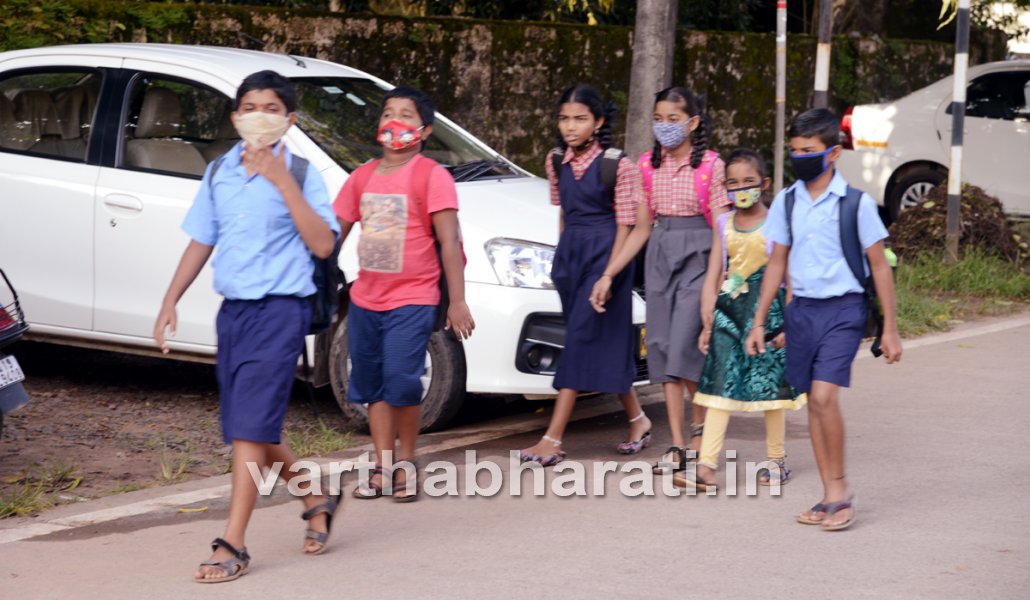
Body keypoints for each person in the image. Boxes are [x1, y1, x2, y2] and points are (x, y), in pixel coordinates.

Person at [153, 71, 342, 583]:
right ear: (236, 117)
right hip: (233, 312)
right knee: (252, 427)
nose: (259, 115)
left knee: (247, 429)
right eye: (250, 106)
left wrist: (282, 183)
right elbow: (201, 240)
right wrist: (170, 299)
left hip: (282, 310)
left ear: (289, 119)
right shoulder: (219, 172)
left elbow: (323, 245)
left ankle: (232, 542)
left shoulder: (302, 173)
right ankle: (315, 496)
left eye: (271, 107)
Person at [745, 108, 902, 531]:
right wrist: (759, 321)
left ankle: (839, 489)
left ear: (833, 153)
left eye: (809, 151)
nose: (800, 157)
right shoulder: (787, 201)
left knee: (824, 397)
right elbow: (776, 263)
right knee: (812, 405)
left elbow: (880, 267)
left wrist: (889, 328)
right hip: (802, 313)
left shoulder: (856, 204)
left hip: (844, 310)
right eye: (795, 151)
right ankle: (829, 492)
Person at [333, 87, 474, 501]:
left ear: (425, 129)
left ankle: (407, 461)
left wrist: (458, 300)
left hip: (414, 297)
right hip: (365, 300)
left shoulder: (432, 176)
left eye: (406, 115)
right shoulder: (360, 177)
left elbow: (450, 242)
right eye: (388, 113)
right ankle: (381, 465)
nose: (395, 121)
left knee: (401, 380)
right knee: (372, 384)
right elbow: (332, 235)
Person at [518, 84, 652, 465]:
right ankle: (639, 420)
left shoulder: (617, 165)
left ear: (598, 122)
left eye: (580, 119)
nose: (570, 126)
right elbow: (564, 212)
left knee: (577, 341)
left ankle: (552, 438)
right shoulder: (555, 159)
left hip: (606, 258)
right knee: (598, 341)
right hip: (571, 260)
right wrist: (561, 260)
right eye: (564, 118)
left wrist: (608, 276)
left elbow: (628, 226)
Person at [674, 149, 806, 491]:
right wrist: (707, 320)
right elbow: (715, 272)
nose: (741, 189)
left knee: (769, 387)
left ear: (764, 183)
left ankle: (776, 460)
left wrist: (789, 323)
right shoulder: (723, 223)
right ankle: (706, 466)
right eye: (732, 183)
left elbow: (788, 276)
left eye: (748, 182)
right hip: (729, 313)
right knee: (718, 384)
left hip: (769, 312)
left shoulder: (778, 223)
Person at [643, 87, 732, 474]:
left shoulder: (712, 166)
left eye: (673, 119)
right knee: (662, 349)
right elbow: (642, 226)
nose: (665, 126)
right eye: (659, 118)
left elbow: (722, 228)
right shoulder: (646, 164)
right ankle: (677, 445)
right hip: (660, 255)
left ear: (693, 123)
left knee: (685, 348)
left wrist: (718, 280)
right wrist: (611, 272)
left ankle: (702, 436)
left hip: (700, 256)